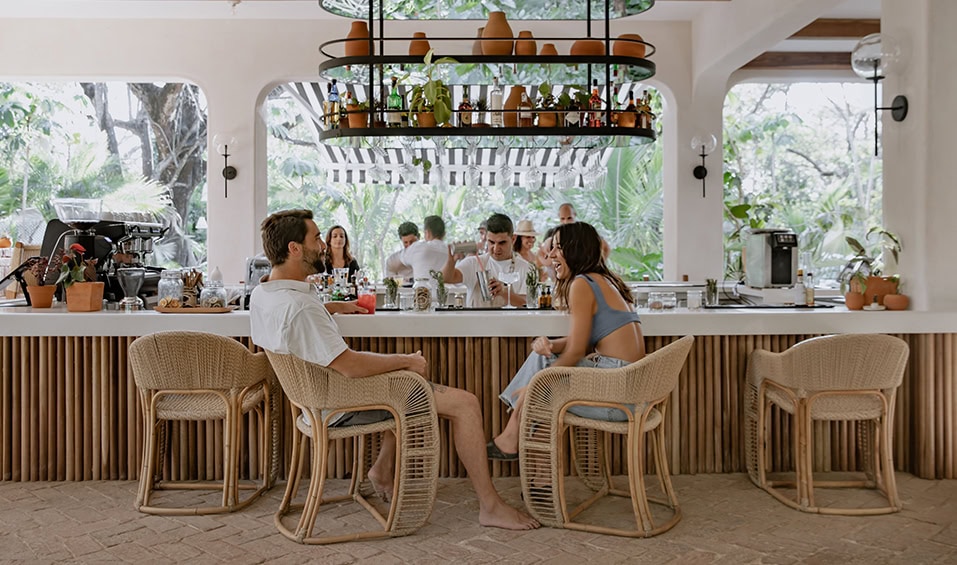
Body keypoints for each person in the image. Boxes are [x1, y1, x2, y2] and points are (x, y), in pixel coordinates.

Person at [250, 209, 538, 530]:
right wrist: (406, 360)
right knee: (464, 403)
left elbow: (301, 324)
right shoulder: (301, 307)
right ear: (294, 249)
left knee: (405, 385)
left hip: (312, 400)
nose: (321, 245)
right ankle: (490, 506)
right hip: (340, 402)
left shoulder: (264, 294)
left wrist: (332, 306)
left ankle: (381, 471)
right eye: (316, 238)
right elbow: (350, 365)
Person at [487, 221, 645, 460]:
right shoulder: (604, 281)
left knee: (542, 386)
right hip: (631, 390)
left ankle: (514, 437)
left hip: (618, 399)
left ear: (575, 249)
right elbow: (583, 340)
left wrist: (534, 384)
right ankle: (533, 468)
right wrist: (552, 345)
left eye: (557, 248)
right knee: (544, 363)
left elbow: (576, 351)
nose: (549, 256)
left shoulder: (583, 284)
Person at [442, 213, 533, 308]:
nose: (496, 248)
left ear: (513, 239)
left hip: (510, 323)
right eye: (491, 242)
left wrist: (503, 292)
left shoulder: (526, 268)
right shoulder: (474, 263)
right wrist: (451, 261)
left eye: (502, 243)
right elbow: (446, 279)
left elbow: (527, 304)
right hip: (477, 322)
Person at [388, 215, 449, 281]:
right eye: (405, 242)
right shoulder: (451, 252)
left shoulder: (417, 248)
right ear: (444, 234)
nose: (409, 246)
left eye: (412, 242)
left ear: (426, 233)